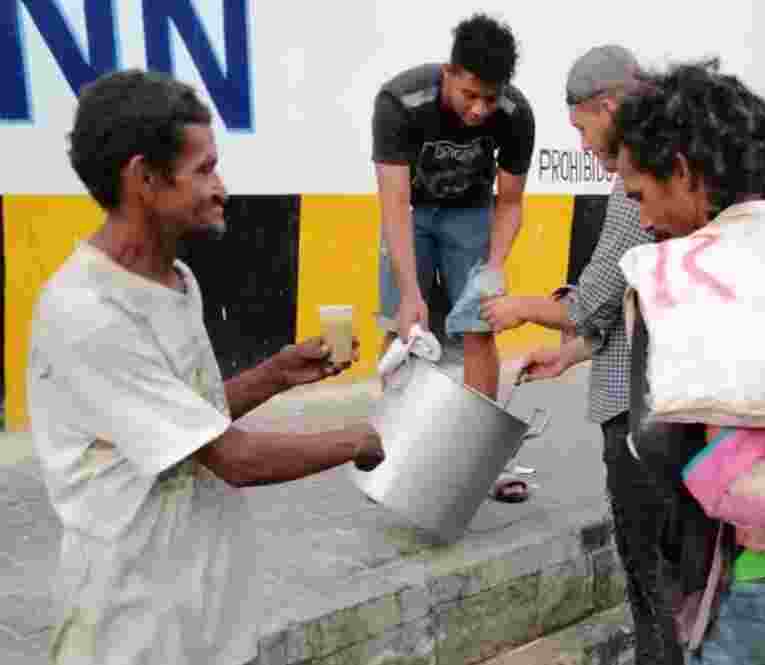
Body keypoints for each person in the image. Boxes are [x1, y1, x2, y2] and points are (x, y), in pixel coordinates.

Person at [525, 58, 765, 665]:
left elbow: (657, 443)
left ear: (683, 172)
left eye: (641, 196)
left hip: (743, 594)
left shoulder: (685, 279)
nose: (643, 219)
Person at [27, 69, 385, 665]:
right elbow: (232, 458)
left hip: (204, 595)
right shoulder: (88, 311)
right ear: (144, 179)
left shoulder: (177, 280)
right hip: (129, 619)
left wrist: (275, 374)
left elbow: (189, 420)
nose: (221, 189)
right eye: (204, 170)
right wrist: (357, 440)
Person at [484, 45, 683, 664]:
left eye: (581, 127)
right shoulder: (680, 170)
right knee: (677, 578)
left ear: (611, 106)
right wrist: (570, 354)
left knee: (652, 578)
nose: (582, 145)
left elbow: (596, 296)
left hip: (640, 413)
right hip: (671, 402)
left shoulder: (639, 184)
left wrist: (519, 308)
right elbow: (629, 299)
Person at [371, 14, 535, 502]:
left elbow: (510, 202)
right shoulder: (399, 102)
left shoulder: (515, 114)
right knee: (404, 328)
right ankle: (392, 453)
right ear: (449, 72)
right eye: (470, 95)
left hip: (471, 214)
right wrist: (410, 293)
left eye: (491, 98)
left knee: (478, 327)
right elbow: (394, 204)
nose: (480, 109)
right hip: (412, 213)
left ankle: (480, 460)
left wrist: (495, 267)